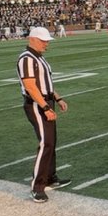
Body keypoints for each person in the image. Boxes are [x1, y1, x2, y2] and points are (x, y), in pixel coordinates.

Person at [16, 26, 71, 202]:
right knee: (46, 142)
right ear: (32, 39)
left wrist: (58, 98)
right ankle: (38, 186)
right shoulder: (27, 59)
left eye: (47, 41)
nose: (46, 44)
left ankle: (50, 177)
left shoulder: (39, 58)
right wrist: (45, 108)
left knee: (51, 141)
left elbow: (46, 85)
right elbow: (31, 86)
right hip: (37, 104)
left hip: (46, 101)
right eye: (43, 40)